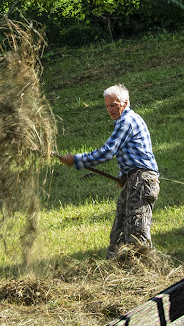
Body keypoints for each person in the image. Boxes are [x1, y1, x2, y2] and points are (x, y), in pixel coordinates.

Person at [59, 84, 160, 259]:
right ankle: (117, 271)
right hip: (133, 181)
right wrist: (123, 177)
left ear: (125, 103)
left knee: (137, 235)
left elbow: (107, 152)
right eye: (107, 106)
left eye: (113, 105)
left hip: (142, 181)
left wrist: (76, 160)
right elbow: (131, 155)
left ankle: (144, 272)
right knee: (119, 234)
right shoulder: (124, 122)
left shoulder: (127, 121)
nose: (110, 110)